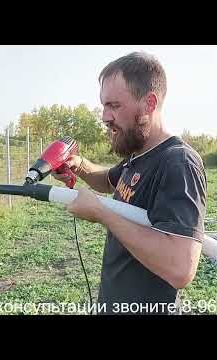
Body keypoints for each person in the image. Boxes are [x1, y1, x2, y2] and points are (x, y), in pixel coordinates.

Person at [54, 51, 207, 315]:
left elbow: (181, 267)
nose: (104, 116)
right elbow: (109, 181)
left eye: (114, 105)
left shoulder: (178, 162)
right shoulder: (138, 155)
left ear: (149, 103)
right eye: (104, 105)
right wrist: (78, 165)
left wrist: (103, 214)